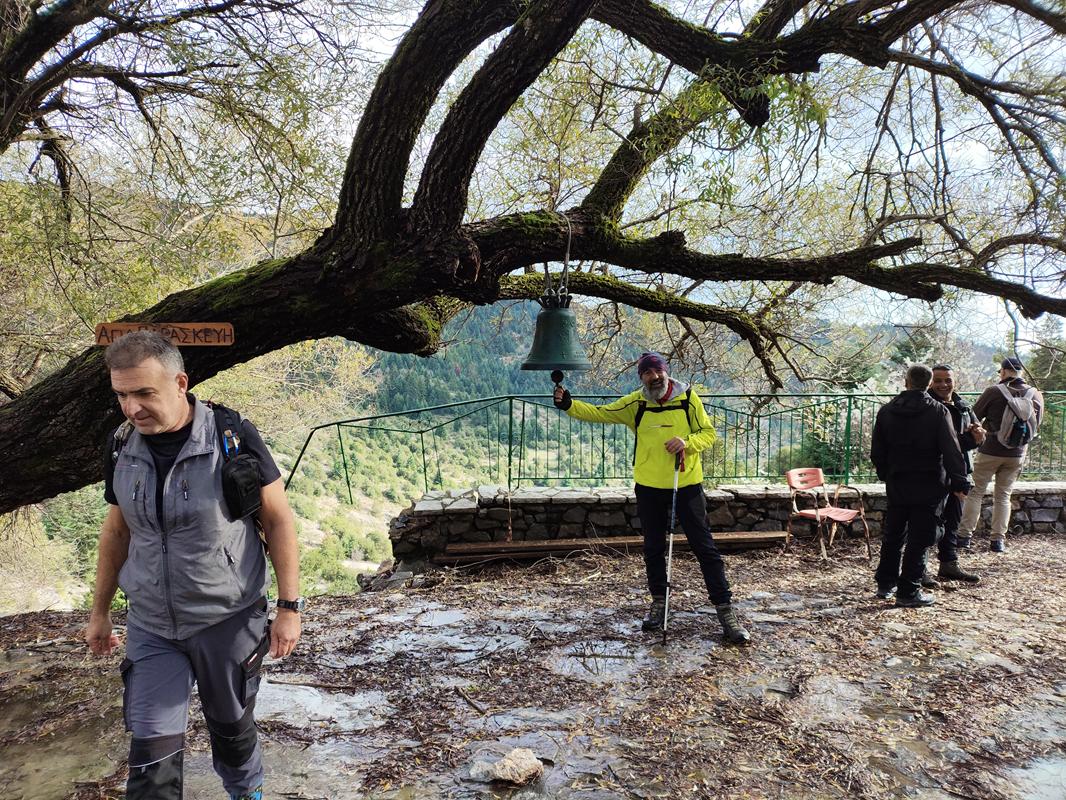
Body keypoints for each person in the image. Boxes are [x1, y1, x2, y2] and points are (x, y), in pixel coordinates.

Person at [84, 331, 303, 800]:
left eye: (144, 393)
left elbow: (278, 520)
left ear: (180, 383)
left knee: (231, 729)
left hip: (228, 619)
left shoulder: (231, 436)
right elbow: (117, 532)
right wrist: (99, 612)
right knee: (151, 756)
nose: (132, 408)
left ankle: (247, 793)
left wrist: (289, 607)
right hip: (152, 624)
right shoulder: (122, 446)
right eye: (121, 395)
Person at [553, 352, 749, 644]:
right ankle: (659, 604)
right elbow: (601, 413)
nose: (654, 377)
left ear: (666, 372)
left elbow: (708, 433)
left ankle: (726, 612)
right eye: (647, 373)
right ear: (641, 377)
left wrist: (687, 442)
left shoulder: (687, 398)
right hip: (649, 486)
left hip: (686, 484)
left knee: (705, 548)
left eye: (658, 371)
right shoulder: (636, 403)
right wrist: (568, 405)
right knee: (654, 549)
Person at [871, 364, 970, 607]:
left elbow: (877, 450)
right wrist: (960, 481)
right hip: (930, 483)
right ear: (928, 384)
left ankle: (886, 584)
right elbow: (950, 448)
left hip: (898, 481)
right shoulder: (938, 411)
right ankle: (909, 591)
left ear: (906, 382)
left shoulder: (887, 411)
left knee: (893, 534)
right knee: (921, 537)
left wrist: (886, 473)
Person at [956, 357, 1043, 552]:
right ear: (1020, 372)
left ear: (1003, 372)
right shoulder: (1035, 394)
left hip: (990, 450)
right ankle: (997, 541)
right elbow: (1037, 423)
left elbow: (974, 416)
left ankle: (964, 537)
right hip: (1017, 454)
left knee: (976, 492)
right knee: (1003, 496)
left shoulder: (994, 391)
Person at [924, 364, 983, 585]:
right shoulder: (928, 407)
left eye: (947, 380)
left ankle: (949, 564)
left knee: (953, 521)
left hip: (960, 473)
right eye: (938, 380)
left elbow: (974, 436)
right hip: (936, 474)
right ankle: (920, 568)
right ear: (930, 382)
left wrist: (980, 436)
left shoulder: (963, 406)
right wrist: (970, 440)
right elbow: (942, 444)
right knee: (929, 524)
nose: (943, 384)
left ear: (954, 381)